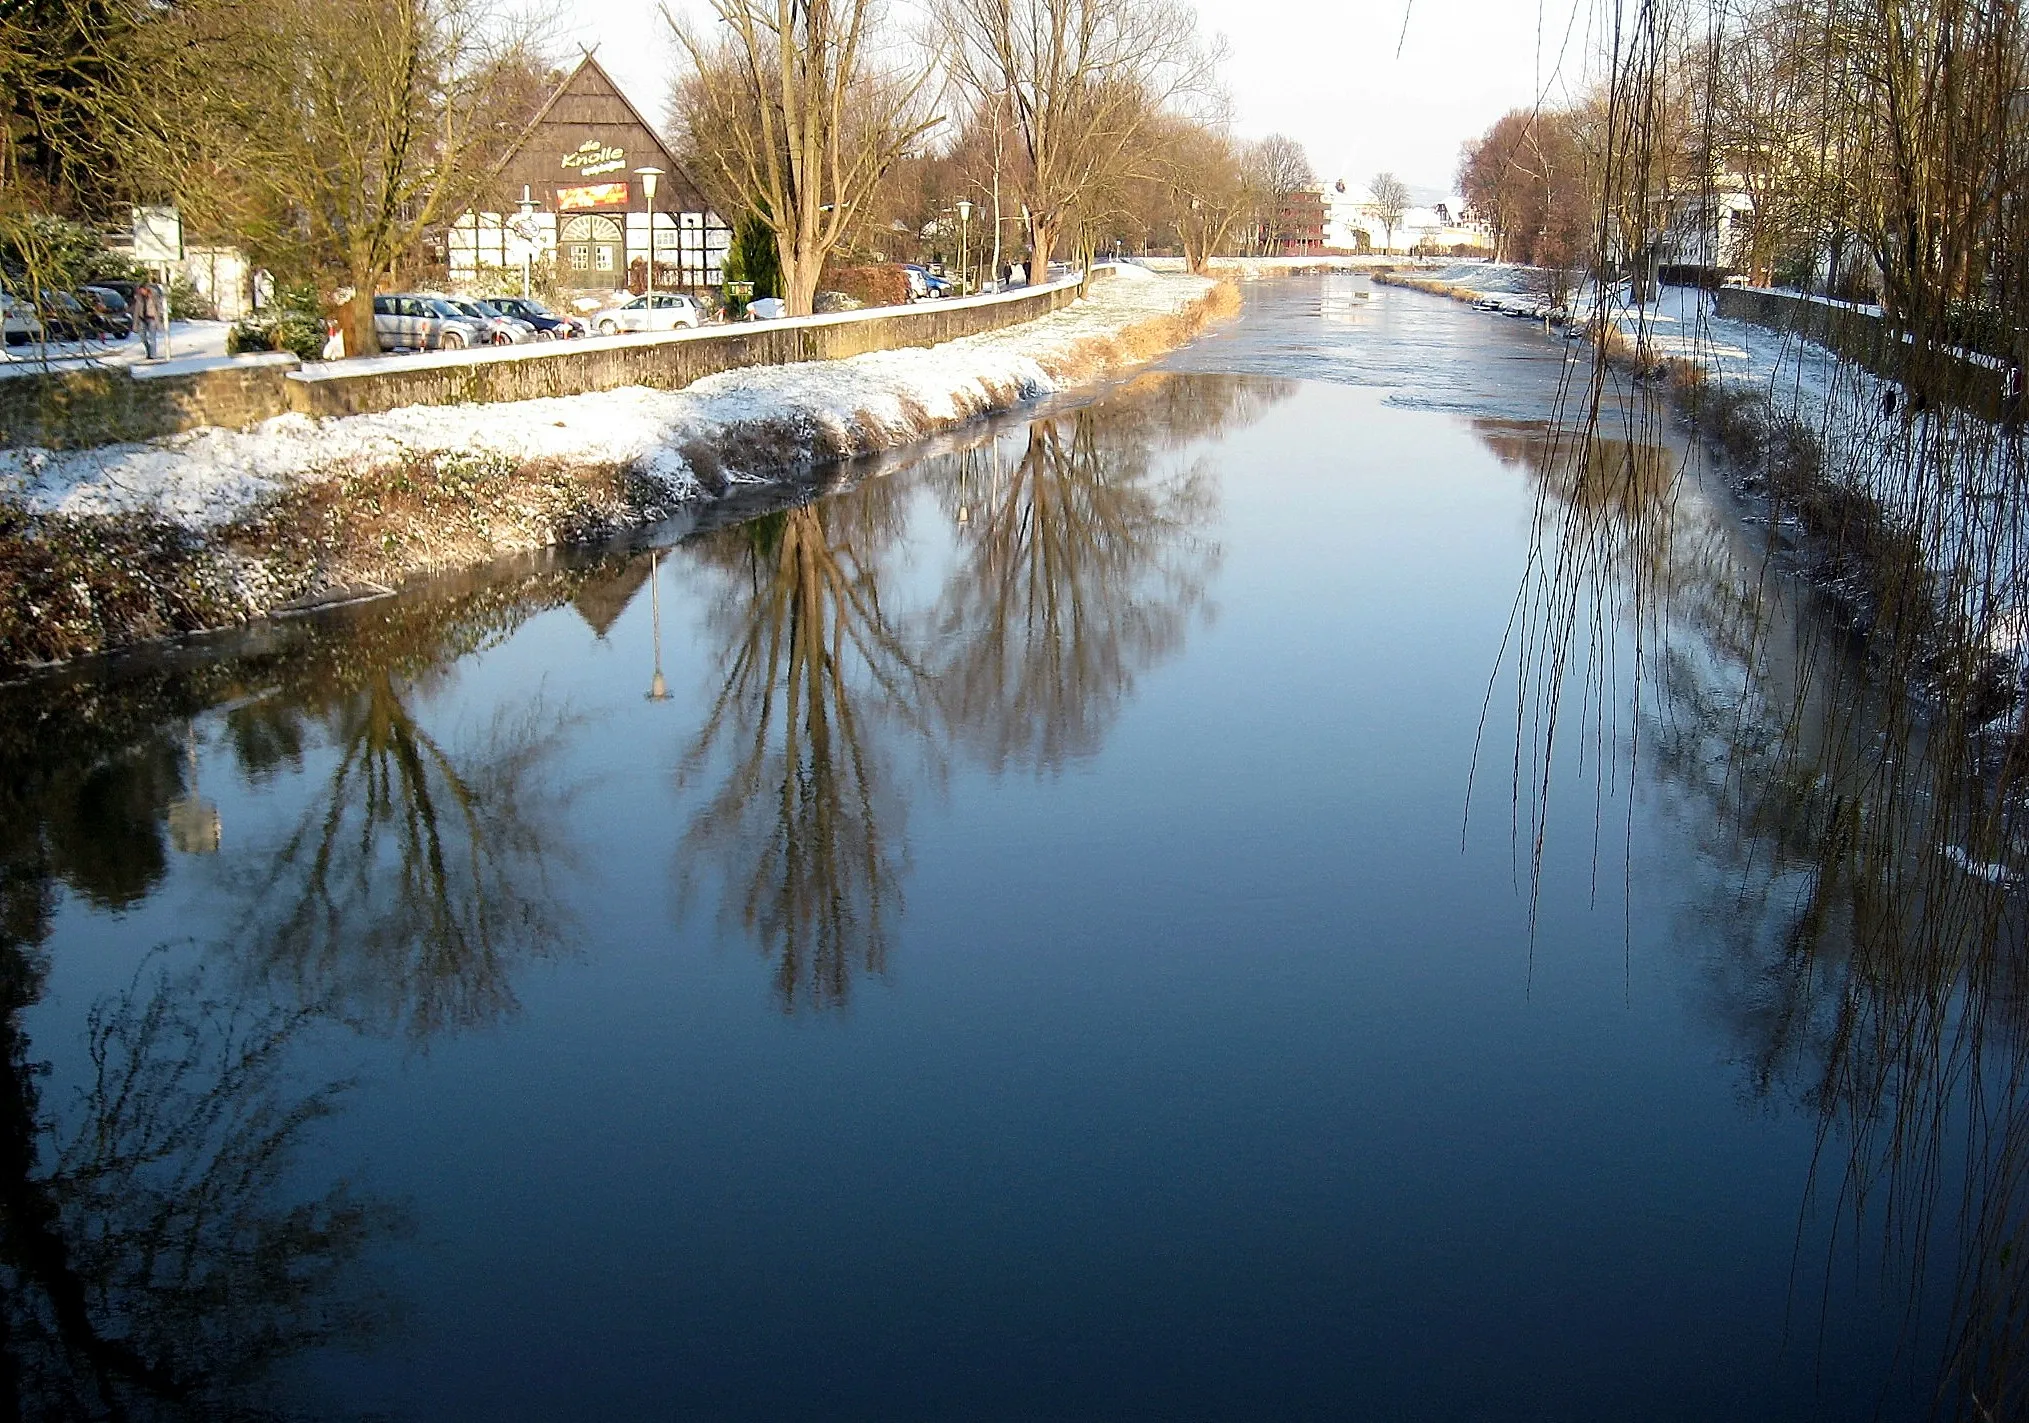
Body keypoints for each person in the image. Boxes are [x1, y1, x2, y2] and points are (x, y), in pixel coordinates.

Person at [133, 279, 165, 360]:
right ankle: (148, 350)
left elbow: (159, 306)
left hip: (152, 318)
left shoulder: (154, 296)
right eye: (140, 290)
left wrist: (161, 316)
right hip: (142, 318)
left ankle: (152, 355)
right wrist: (135, 323)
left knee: (152, 337)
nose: (141, 292)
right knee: (142, 336)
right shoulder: (139, 298)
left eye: (142, 290)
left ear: (146, 289)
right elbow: (137, 310)